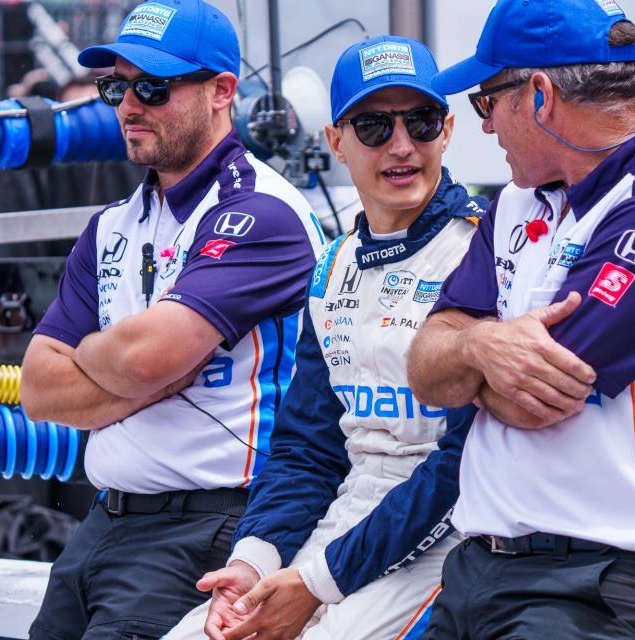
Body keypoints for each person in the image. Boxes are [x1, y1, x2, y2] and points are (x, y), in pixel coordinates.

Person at [406, 1, 635, 638]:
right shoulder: (513, 203)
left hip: (614, 586)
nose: (485, 127)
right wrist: (483, 346)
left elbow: (535, 397)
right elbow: (425, 370)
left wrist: (468, 353)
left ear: (538, 95)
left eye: (486, 101)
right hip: (483, 570)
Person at [19, 1, 323, 638]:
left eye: (153, 86)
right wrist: (145, 373)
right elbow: (39, 390)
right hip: (103, 524)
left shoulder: (262, 211)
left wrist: (128, 364)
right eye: (116, 86)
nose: (130, 105)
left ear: (221, 92)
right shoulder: (112, 225)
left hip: (210, 531)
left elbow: (144, 358)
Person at [165, 35, 484, 640]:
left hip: (451, 532)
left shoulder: (484, 251)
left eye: (419, 121)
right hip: (343, 527)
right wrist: (249, 565)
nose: (400, 145)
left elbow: (462, 465)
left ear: (446, 129)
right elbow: (306, 451)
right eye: (372, 126)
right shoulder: (334, 265)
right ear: (335, 140)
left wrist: (317, 583)